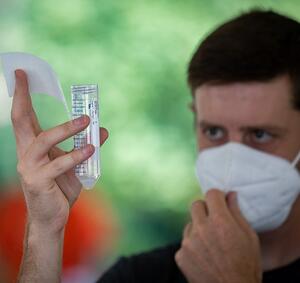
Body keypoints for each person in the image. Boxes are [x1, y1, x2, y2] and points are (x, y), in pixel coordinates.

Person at [13, 9, 300, 283]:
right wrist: (44, 230)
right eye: (213, 131)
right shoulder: (141, 277)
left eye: (260, 135)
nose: (232, 158)